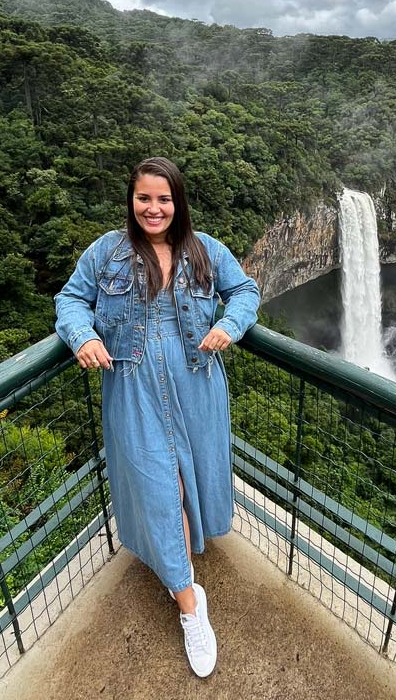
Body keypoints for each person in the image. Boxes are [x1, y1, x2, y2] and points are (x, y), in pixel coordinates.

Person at [54, 157, 260, 678]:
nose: (153, 208)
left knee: (189, 482)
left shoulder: (205, 249)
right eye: (144, 198)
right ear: (131, 201)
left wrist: (230, 325)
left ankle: (183, 561)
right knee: (156, 484)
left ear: (178, 202)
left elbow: (246, 291)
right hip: (133, 381)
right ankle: (192, 607)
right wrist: (85, 336)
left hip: (197, 377)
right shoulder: (106, 252)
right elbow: (71, 300)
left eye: (163, 199)